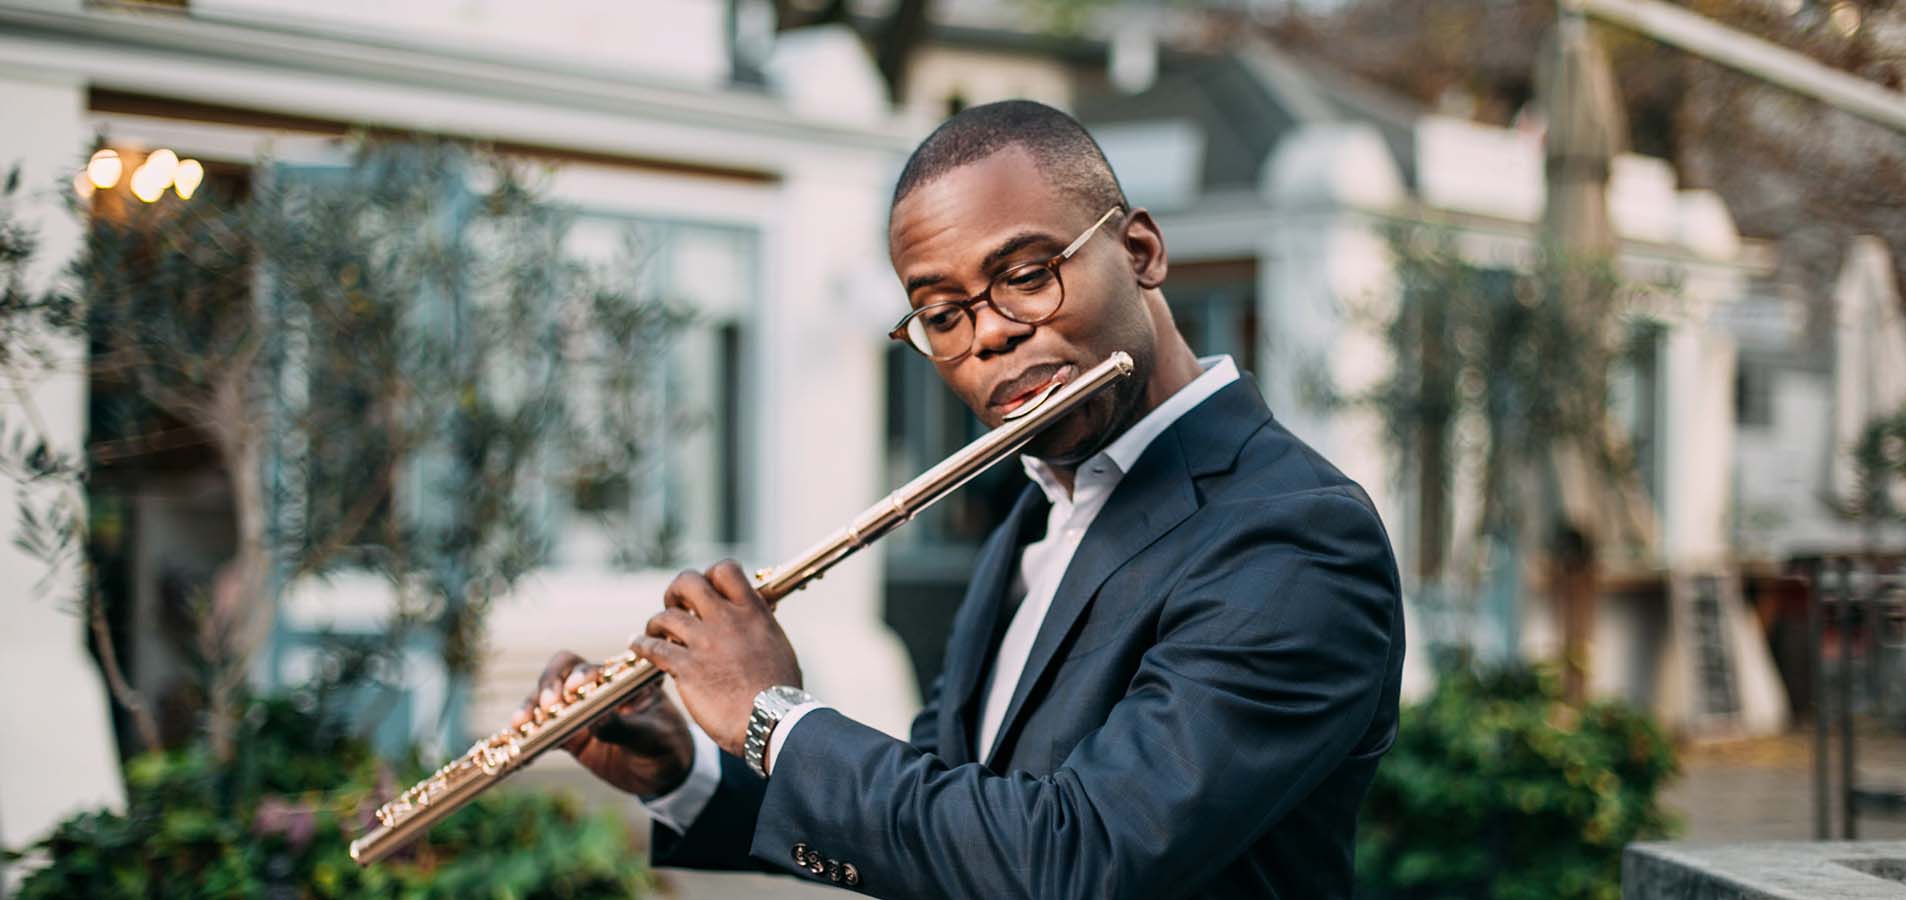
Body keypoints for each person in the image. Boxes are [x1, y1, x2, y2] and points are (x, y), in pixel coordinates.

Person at [515, 99, 1405, 899]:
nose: (987, 335)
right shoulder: (1038, 512)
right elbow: (949, 826)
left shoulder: (1292, 538)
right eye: (941, 314)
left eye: (1026, 275)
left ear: (1139, 251)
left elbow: (1077, 860)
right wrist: (691, 772)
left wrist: (775, 716)